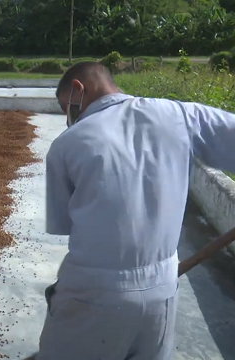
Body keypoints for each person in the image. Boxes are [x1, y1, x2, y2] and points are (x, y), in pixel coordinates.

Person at [30, 61, 235, 359]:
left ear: (78, 89)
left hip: (92, 293)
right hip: (161, 291)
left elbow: (66, 225)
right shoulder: (180, 115)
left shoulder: (67, 144)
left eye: (67, 107)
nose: (68, 117)